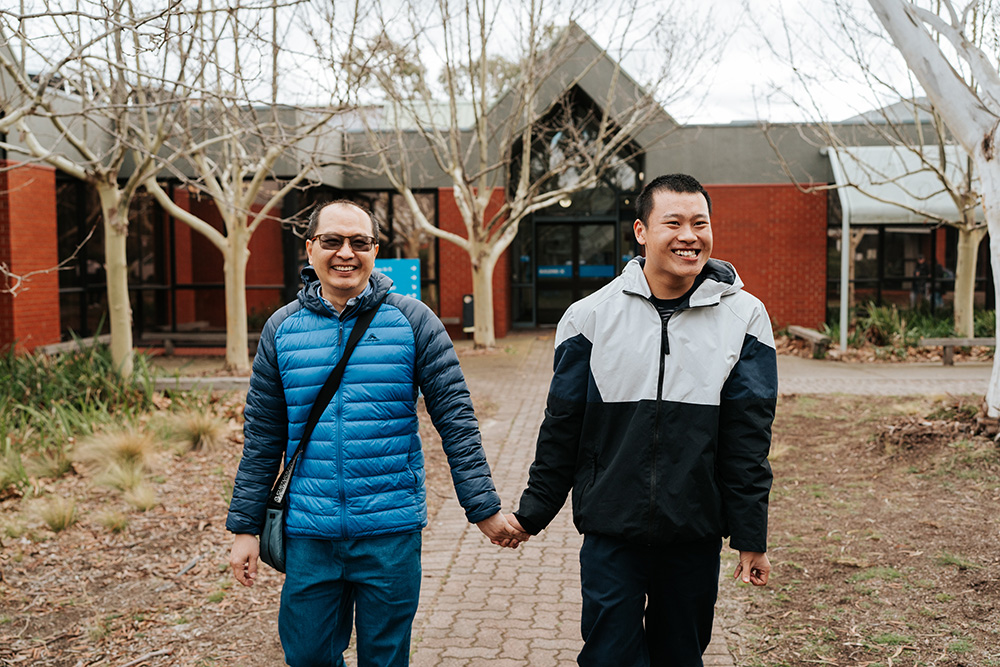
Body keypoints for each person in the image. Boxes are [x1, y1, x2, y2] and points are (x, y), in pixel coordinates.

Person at [226, 200, 527, 667]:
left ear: (375, 251)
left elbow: (456, 419)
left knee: (385, 660)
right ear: (310, 248)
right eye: (332, 241)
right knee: (307, 657)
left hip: (390, 532)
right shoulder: (281, 329)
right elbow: (263, 437)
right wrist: (245, 528)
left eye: (359, 242)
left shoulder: (414, 320)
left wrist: (482, 508)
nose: (346, 253)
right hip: (309, 532)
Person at [507, 174, 777, 666]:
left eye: (700, 223)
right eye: (673, 223)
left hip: (693, 533)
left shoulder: (746, 318)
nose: (689, 236)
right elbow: (562, 429)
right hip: (612, 531)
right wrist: (531, 515)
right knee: (608, 657)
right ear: (641, 231)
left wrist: (750, 536)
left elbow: (748, 440)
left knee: (681, 657)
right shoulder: (589, 317)